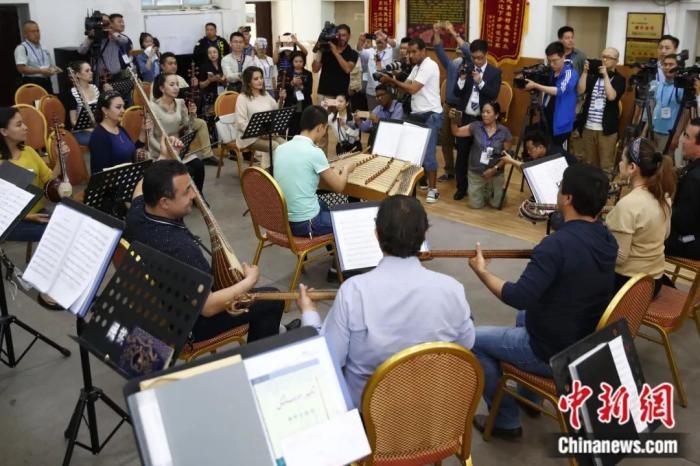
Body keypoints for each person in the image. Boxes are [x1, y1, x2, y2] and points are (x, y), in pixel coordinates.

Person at [469, 163, 617, 438]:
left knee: (473, 339)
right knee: (524, 317)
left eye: (560, 186)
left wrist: (482, 272)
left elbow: (518, 295)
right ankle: (531, 397)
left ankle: (505, 420)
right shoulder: (607, 238)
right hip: (584, 336)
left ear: (568, 198)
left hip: (552, 350)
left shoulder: (556, 245)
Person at [297, 195, 475, 407]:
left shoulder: (353, 291)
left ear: (376, 234)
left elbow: (329, 359)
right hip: (433, 412)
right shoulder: (452, 289)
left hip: (371, 415)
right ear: (425, 234)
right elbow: (466, 345)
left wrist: (309, 314)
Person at [125, 159, 293, 343]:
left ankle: (275, 329)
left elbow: (141, 185)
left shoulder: (137, 212)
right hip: (189, 324)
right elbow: (208, 307)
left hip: (159, 307)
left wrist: (164, 156)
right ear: (164, 202)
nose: (194, 194)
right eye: (186, 191)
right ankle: (259, 354)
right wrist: (250, 281)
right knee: (271, 300)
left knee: (248, 296)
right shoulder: (179, 247)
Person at [607, 138, 675, 297]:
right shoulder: (664, 197)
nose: (620, 164)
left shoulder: (628, 205)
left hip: (627, 285)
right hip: (654, 281)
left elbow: (619, 258)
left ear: (632, 167)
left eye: (622, 160)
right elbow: (666, 234)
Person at [274, 105, 356, 237]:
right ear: (319, 127)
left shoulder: (280, 149)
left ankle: (331, 245)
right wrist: (347, 169)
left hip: (284, 220)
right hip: (306, 223)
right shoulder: (314, 152)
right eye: (325, 128)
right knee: (352, 221)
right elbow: (339, 187)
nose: (325, 132)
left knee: (321, 203)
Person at [380, 38, 443, 203]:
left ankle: (433, 190)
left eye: (414, 52)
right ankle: (415, 184)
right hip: (416, 114)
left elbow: (413, 89)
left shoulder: (429, 65)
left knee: (429, 154)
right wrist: (391, 79)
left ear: (423, 51)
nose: (411, 55)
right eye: (409, 52)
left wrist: (391, 80)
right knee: (412, 152)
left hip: (430, 115)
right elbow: (405, 86)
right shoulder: (416, 67)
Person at [0, 107, 60, 242]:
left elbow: (49, 182)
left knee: (66, 227)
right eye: (19, 124)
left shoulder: (29, 151)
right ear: (4, 131)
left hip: (39, 212)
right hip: (12, 222)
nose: (25, 127)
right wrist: (26, 216)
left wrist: (61, 161)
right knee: (55, 235)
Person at [453, 39, 502, 200]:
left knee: (483, 155)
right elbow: (457, 93)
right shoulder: (467, 68)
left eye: (480, 57)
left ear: (486, 54)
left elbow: (493, 94)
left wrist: (480, 82)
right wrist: (461, 78)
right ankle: (461, 188)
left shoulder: (494, 73)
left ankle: (481, 188)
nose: (477, 61)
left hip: (483, 121)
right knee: (462, 154)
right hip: (466, 118)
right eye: (474, 58)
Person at [149, 73, 212, 192]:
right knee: (183, 171)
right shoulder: (152, 107)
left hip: (178, 149)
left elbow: (188, 126)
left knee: (198, 165)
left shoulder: (180, 102)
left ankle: (198, 195)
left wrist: (192, 114)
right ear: (162, 88)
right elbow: (150, 137)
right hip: (160, 152)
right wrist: (166, 151)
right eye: (172, 84)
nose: (176, 88)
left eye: (177, 84)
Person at [450, 101, 512, 209]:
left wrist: (494, 169)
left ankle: (494, 190)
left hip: (495, 174)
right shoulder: (476, 126)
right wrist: (453, 120)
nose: (484, 114)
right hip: (476, 173)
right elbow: (456, 132)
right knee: (475, 205)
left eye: (488, 112)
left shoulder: (504, 132)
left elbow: (507, 156)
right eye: (483, 112)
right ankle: (486, 190)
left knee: (497, 204)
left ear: (496, 115)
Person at [576, 48, 625, 172]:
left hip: (606, 130)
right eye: (603, 56)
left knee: (606, 166)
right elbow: (580, 90)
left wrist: (605, 75)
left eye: (609, 57)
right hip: (588, 127)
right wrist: (585, 72)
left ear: (616, 61)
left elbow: (611, 96)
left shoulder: (619, 79)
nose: (605, 59)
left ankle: (604, 185)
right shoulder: (593, 76)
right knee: (589, 164)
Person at [433, 22, 471, 183]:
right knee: (446, 140)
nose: (459, 50)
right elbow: (438, 49)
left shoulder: (471, 65)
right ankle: (449, 171)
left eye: (461, 48)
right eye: (457, 49)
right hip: (447, 106)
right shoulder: (453, 65)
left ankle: (463, 173)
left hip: (461, 108)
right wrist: (436, 32)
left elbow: (468, 51)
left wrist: (454, 33)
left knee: (461, 142)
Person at [525, 41, 578, 150]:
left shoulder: (569, 73)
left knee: (558, 154)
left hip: (561, 123)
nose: (552, 64)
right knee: (546, 151)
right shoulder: (550, 72)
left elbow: (559, 91)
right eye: (549, 61)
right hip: (546, 118)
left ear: (563, 56)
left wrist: (535, 85)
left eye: (555, 60)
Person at [232, 67, 286, 169]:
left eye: (261, 78)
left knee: (285, 145)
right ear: (249, 82)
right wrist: (260, 132)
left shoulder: (265, 95)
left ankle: (280, 171)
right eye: (256, 79)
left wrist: (281, 99)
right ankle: (269, 172)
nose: (260, 81)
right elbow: (240, 122)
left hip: (266, 133)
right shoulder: (242, 98)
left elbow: (276, 111)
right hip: (249, 137)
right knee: (275, 146)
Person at [88, 91, 150, 174]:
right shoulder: (98, 136)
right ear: (105, 110)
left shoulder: (120, 128)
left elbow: (131, 153)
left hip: (128, 175)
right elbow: (102, 173)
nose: (123, 110)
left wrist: (142, 133)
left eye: (123, 106)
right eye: (118, 107)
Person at [665, 118, 700, 259]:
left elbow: (682, 223)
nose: (682, 140)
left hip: (690, 241)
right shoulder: (693, 171)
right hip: (693, 235)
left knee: (646, 237)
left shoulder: (694, 179)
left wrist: (663, 206)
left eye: (687, 137)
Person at [312, 24, 359, 106]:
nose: (341, 38)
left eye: (343, 35)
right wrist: (320, 49)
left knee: (341, 114)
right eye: (338, 35)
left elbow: (347, 69)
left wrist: (335, 52)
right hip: (324, 93)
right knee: (322, 114)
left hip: (341, 95)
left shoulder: (352, 53)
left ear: (349, 36)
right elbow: (315, 69)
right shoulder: (326, 50)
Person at [649, 54, 685, 157]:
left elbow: (685, 114)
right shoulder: (658, 85)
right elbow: (652, 110)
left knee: (665, 163)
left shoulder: (681, 87)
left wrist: (677, 136)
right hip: (653, 131)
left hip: (669, 134)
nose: (667, 67)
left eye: (671, 64)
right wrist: (645, 131)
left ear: (677, 67)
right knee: (651, 162)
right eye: (665, 64)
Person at [78, 13, 133, 80]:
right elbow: (81, 51)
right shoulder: (93, 37)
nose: (103, 25)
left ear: (110, 24)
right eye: (101, 23)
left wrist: (112, 33)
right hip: (99, 78)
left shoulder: (115, 37)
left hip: (116, 76)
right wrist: (90, 38)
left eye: (106, 23)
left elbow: (125, 41)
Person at [14, 20, 60, 92]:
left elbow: (50, 65)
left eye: (38, 31)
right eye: (33, 31)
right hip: (32, 82)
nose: (36, 34)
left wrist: (54, 69)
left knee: (48, 99)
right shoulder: (22, 48)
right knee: (36, 100)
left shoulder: (44, 48)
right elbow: (21, 69)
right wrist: (41, 71)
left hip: (47, 82)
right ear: (25, 34)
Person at [68, 61, 99, 146]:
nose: (91, 73)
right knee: (100, 139)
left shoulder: (95, 88)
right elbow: (73, 121)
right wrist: (90, 129)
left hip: (96, 127)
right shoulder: (73, 93)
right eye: (87, 71)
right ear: (78, 75)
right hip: (80, 131)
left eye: (91, 70)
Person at [284, 51, 313, 136]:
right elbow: (285, 88)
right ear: (292, 62)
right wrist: (292, 83)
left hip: (304, 104)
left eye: (301, 61)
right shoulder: (287, 73)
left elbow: (309, 91)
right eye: (296, 61)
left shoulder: (308, 74)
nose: (298, 63)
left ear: (304, 62)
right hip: (291, 104)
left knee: (304, 128)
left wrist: (301, 86)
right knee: (292, 129)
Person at [197, 46, 226, 116]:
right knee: (211, 118)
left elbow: (227, 81)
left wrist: (221, 80)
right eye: (209, 53)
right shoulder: (204, 67)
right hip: (209, 97)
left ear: (218, 53)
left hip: (222, 95)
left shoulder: (224, 65)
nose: (212, 54)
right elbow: (201, 85)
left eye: (214, 52)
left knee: (223, 116)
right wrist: (209, 80)